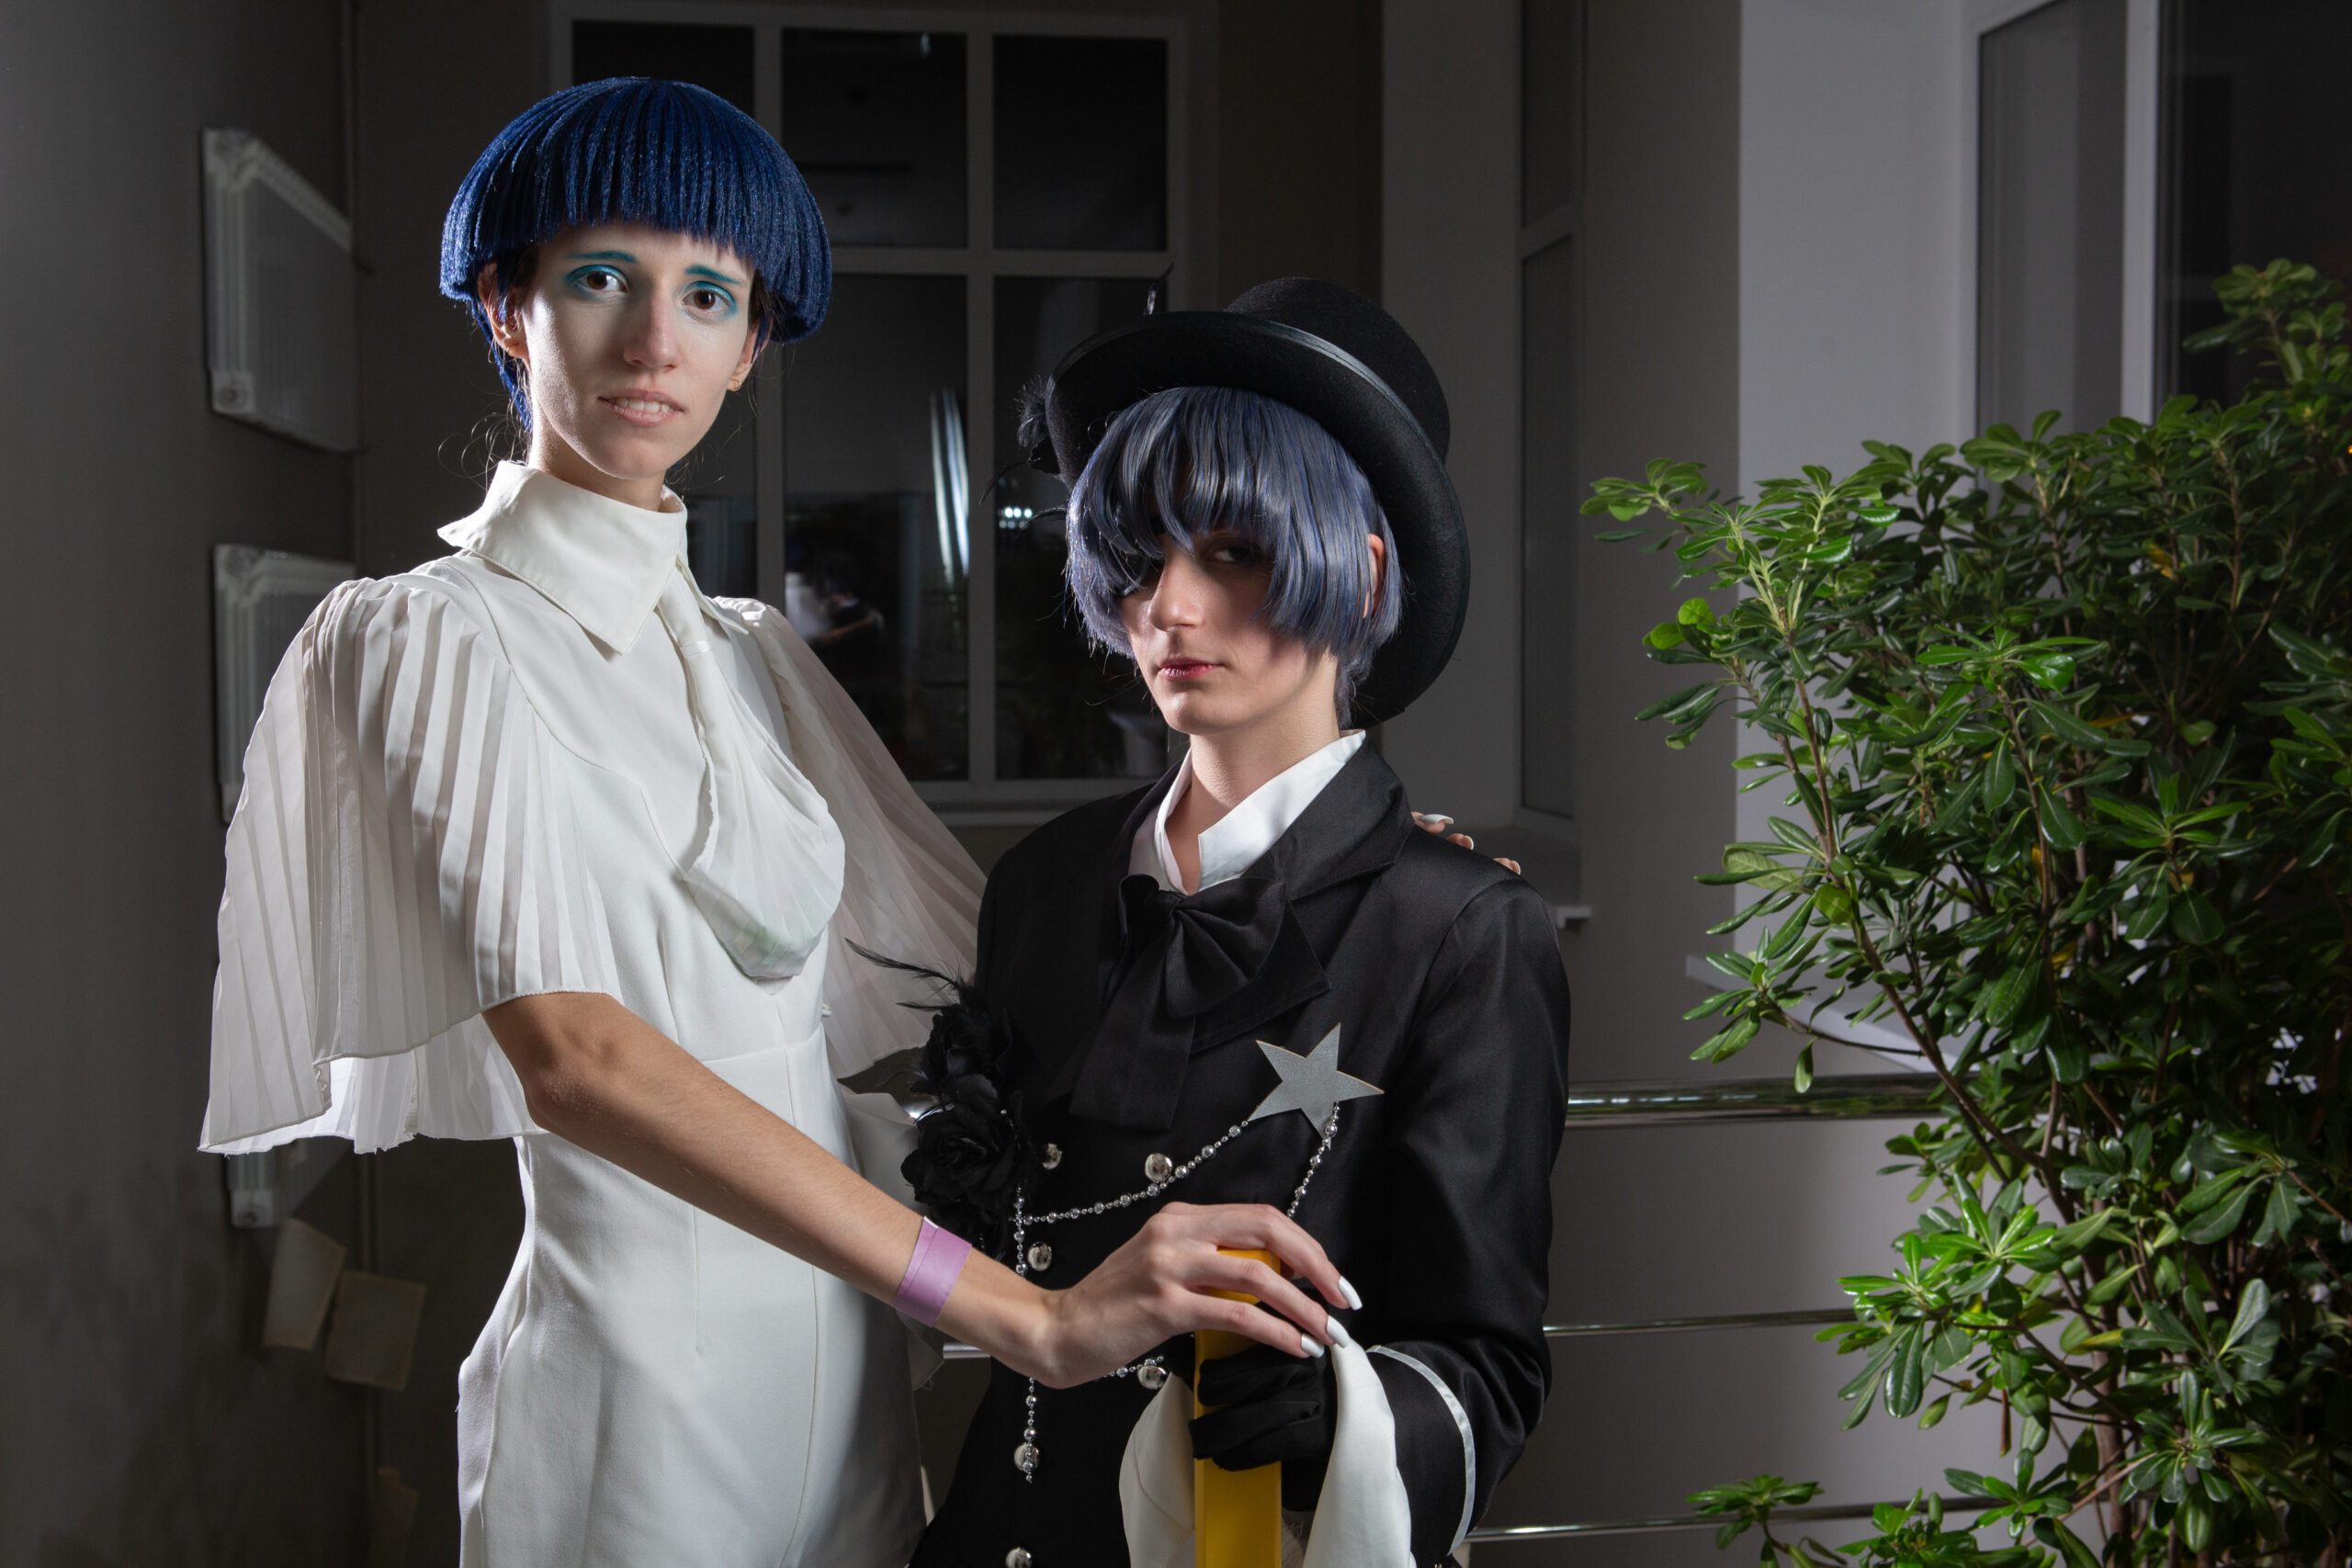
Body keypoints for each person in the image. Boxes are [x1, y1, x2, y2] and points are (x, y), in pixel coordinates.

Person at [199, 79, 1344, 1568]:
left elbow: (1003, 965)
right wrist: (1030, 1319)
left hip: (846, 1365)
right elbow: (581, 1063)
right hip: (633, 1395)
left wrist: (1350, 855)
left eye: (708, 294)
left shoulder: (751, 652)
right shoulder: (430, 639)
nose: (653, 340)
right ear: (506, 306)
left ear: (748, 346)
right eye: (598, 277)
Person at [909, 278, 1573, 1568]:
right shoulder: (1041, 882)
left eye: (1233, 552)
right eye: (1139, 560)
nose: (1169, 607)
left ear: (1361, 571)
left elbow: (1489, 1361)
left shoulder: (1464, 928)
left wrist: (1350, 1418)